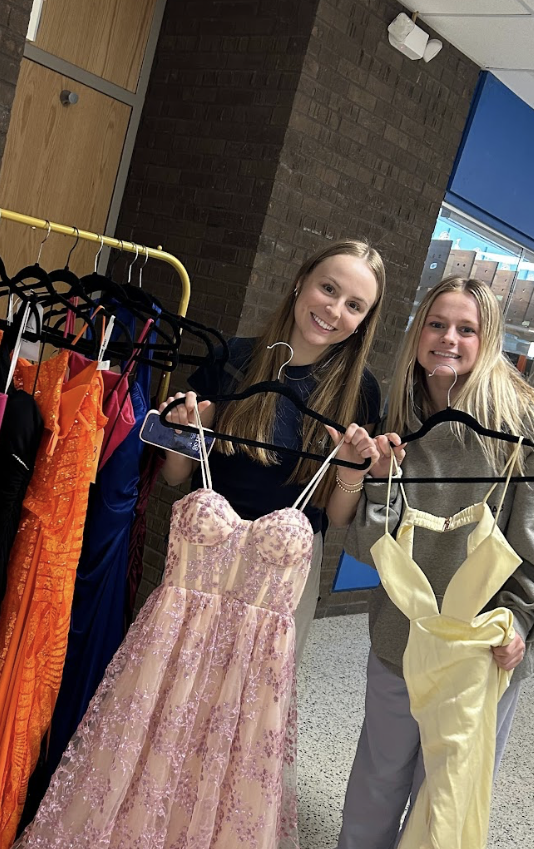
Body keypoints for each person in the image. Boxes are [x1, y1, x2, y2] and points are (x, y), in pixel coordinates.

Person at [306, 275, 534, 849]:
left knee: (444, 787)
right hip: (403, 633)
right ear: (417, 334)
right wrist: (380, 481)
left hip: (485, 648)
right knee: (381, 768)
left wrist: (523, 618)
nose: (448, 341)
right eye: (436, 325)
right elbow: (370, 545)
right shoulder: (402, 413)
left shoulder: (526, 423)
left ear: (489, 339)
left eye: (465, 329)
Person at [158, 239, 386, 660]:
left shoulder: (361, 392)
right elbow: (174, 476)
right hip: (205, 556)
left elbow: (337, 517)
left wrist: (353, 471)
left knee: (251, 703)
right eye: (329, 289)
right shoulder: (232, 359)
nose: (335, 311)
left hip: (288, 569)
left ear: (364, 321)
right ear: (301, 282)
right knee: (176, 687)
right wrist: (184, 431)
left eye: (355, 305)